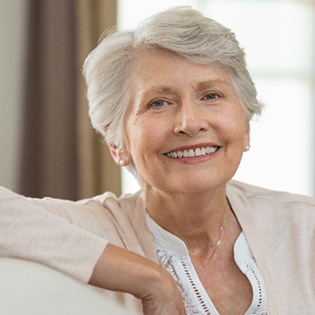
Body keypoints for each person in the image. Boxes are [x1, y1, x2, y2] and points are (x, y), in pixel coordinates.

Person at [0, 6, 314, 315]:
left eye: (211, 96)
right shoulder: (87, 229)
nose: (190, 123)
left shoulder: (304, 228)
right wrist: (149, 279)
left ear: (245, 127)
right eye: (158, 103)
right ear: (116, 142)